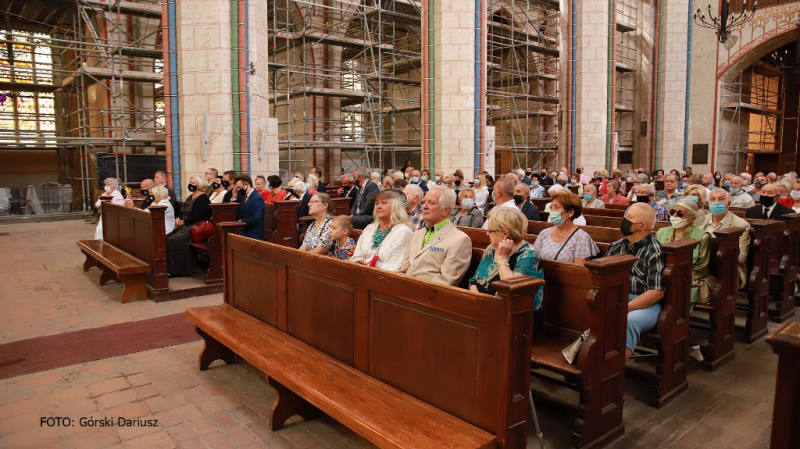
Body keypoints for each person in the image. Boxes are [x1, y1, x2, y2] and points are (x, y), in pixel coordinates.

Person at [606, 203, 665, 360]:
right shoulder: (616, 246)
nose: (624, 220)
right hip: (617, 298)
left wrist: (625, 307)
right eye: (625, 216)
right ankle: (590, 359)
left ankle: (614, 367)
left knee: (629, 320)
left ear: (642, 225)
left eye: (629, 218)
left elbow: (656, 292)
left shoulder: (655, 251)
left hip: (645, 304)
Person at [468, 207, 543, 310]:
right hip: (483, 307)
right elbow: (474, 280)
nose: (487, 233)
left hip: (512, 316)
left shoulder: (529, 256)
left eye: (490, 230)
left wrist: (502, 259)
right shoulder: (492, 248)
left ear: (505, 234)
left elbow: (514, 291)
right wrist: (477, 299)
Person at [399, 186, 472, 285]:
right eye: (423, 202)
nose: (424, 206)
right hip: (404, 289)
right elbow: (404, 269)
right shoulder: (417, 234)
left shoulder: (459, 239)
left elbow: (445, 281)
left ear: (446, 210)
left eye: (431, 203)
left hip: (427, 296)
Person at [656, 198, 715, 305]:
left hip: (688, 278)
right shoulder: (661, 232)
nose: (674, 216)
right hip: (661, 275)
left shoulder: (703, 236)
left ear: (693, 218)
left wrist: (676, 277)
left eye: (680, 214)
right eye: (672, 212)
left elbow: (702, 266)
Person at [699, 188, 751, 288]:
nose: (716, 202)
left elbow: (741, 257)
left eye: (720, 199)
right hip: (703, 266)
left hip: (729, 268)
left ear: (728, 203)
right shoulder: (700, 221)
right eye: (713, 199)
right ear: (708, 203)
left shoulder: (741, 225)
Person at [350, 190, 413, 271]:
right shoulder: (370, 228)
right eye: (377, 203)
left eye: (384, 203)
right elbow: (357, 256)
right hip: (361, 273)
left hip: (383, 278)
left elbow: (394, 266)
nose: (379, 206)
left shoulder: (403, 231)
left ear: (395, 206)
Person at [532, 191, 599, 266]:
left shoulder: (581, 237)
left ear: (570, 212)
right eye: (551, 207)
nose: (552, 212)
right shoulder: (544, 233)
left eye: (556, 207)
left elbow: (580, 271)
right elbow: (533, 260)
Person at [167, 175, 212, 276]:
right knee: (167, 237)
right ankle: (170, 268)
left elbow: (197, 216)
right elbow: (181, 210)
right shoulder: (190, 197)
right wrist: (178, 218)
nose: (190, 184)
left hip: (194, 227)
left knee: (175, 239)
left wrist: (183, 222)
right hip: (184, 224)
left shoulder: (203, 199)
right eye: (190, 182)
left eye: (193, 183)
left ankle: (180, 271)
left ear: (199, 185)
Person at [234, 175, 265, 241]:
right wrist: (234, 198)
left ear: (247, 185)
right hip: (244, 230)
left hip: (252, 233)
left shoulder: (257, 198)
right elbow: (238, 212)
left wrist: (242, 221)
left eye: (239, 187)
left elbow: (257, 217)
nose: (238, 190)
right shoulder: (243, 197)